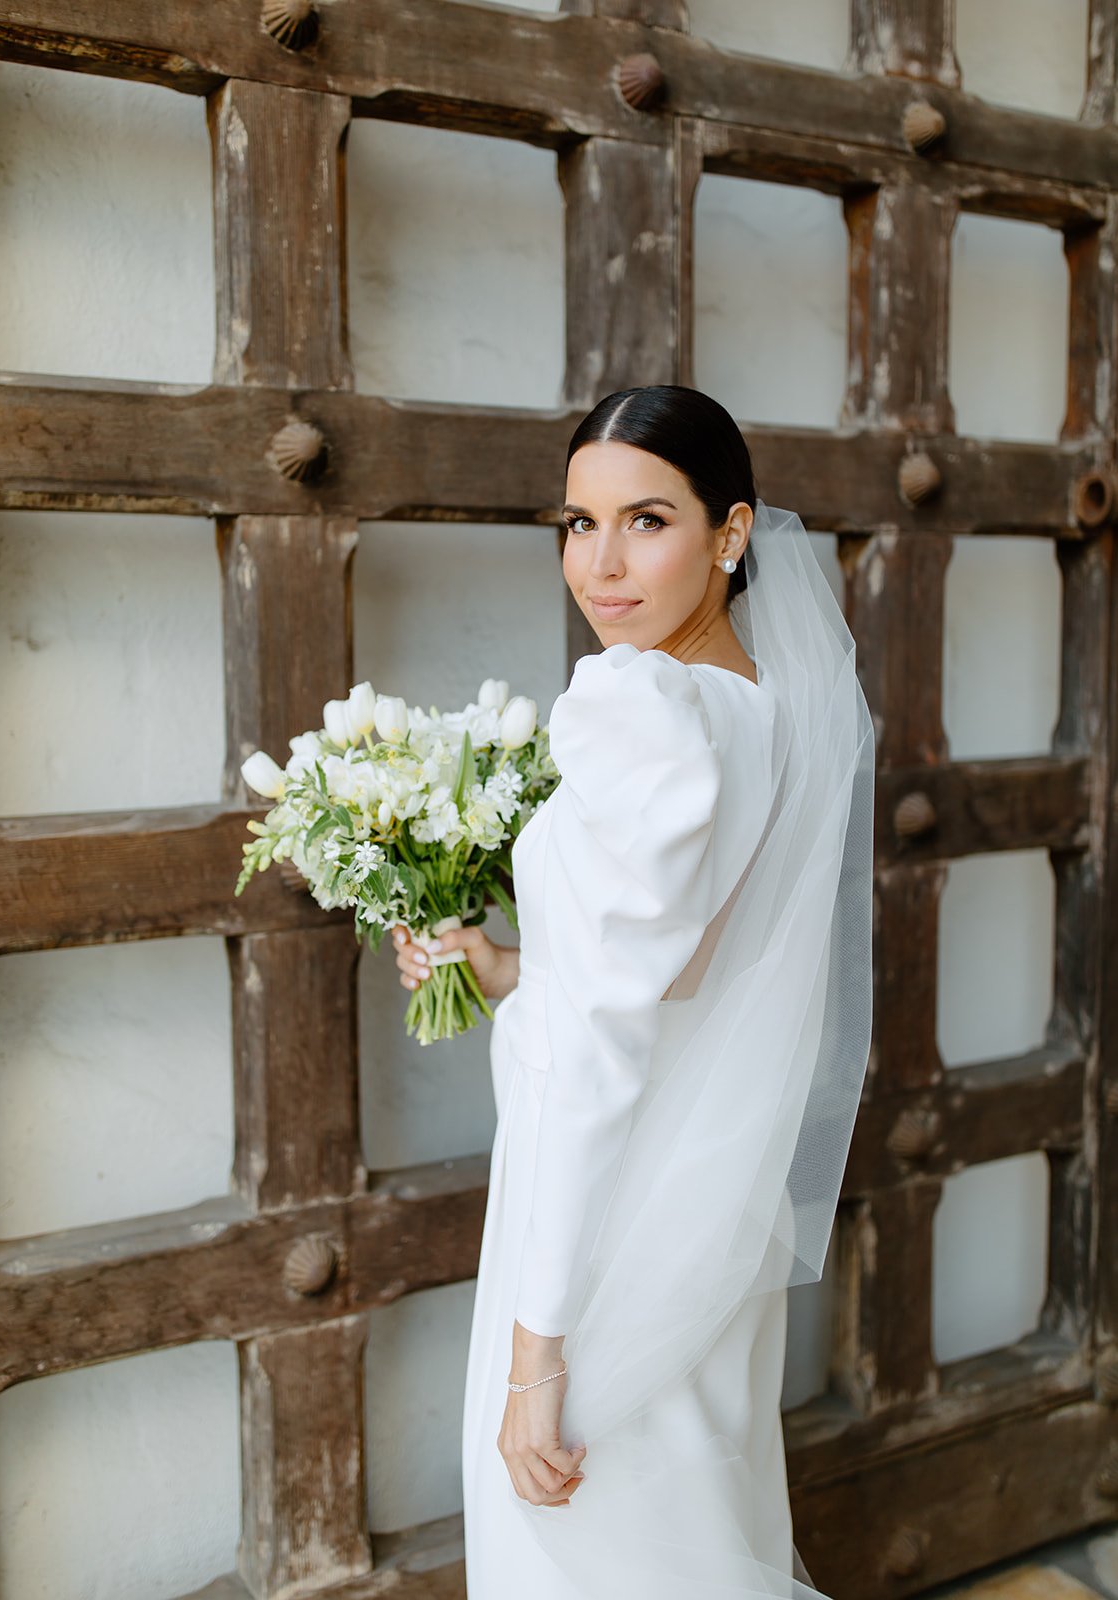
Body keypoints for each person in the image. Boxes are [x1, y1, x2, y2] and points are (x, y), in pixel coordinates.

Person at [393, 384, 875, 1599]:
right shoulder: (762, 706)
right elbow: (682, 971)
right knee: (688, 1535)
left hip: (601, 1223)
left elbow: (602, 1047)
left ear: (731, 533)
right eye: (577, 521)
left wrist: (537, 1355)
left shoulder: (637, 701)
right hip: (700, 1209)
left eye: (646, 521)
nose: (599, 565)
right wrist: (510, 969)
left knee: (584, 1551)